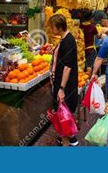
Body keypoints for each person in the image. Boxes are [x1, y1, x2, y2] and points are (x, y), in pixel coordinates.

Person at [49, 14, 78, 146]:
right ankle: (71, 138)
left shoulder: (68, 41)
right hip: (61, 81)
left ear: (59, 27)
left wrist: (61, 89)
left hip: (65, 84)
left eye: (52, 27)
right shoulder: (65, 38)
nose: (51, 29)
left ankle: (66, 141)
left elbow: (67, 67)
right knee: (64, 112)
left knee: (62, 112)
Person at [80, 10, 100, 74]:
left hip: (82, 50)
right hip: (90, 49)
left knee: (84, 65)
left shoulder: (80, 26)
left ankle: (84, 78)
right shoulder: (92, 27)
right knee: (90, 65)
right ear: (90, 18)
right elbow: (98, 36)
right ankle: (88, 79)